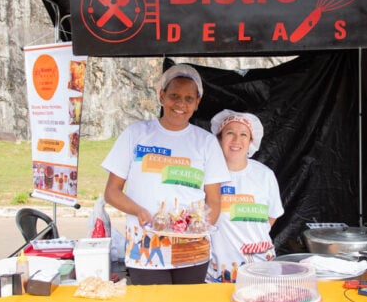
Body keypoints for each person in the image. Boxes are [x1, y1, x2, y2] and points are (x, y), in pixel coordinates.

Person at [101, 63, 231, 285]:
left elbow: (214, 201)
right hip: (146, 246)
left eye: (189, 98)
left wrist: (198, 227)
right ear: (161, 96)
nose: (181, 104)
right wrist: (139, 211)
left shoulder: (206, 142)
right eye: (174, 95)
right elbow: (112, 192)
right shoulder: (136, 134)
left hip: (191, 249)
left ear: (197, 102)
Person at [206, 109, 284, 283]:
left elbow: (272, 215)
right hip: (217, 272)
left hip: (261, 267)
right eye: (230, 133)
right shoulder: (207, 173)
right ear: (219, 139)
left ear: (251, 141)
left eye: (243, 134)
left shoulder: (265, 175)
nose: (236, 140)